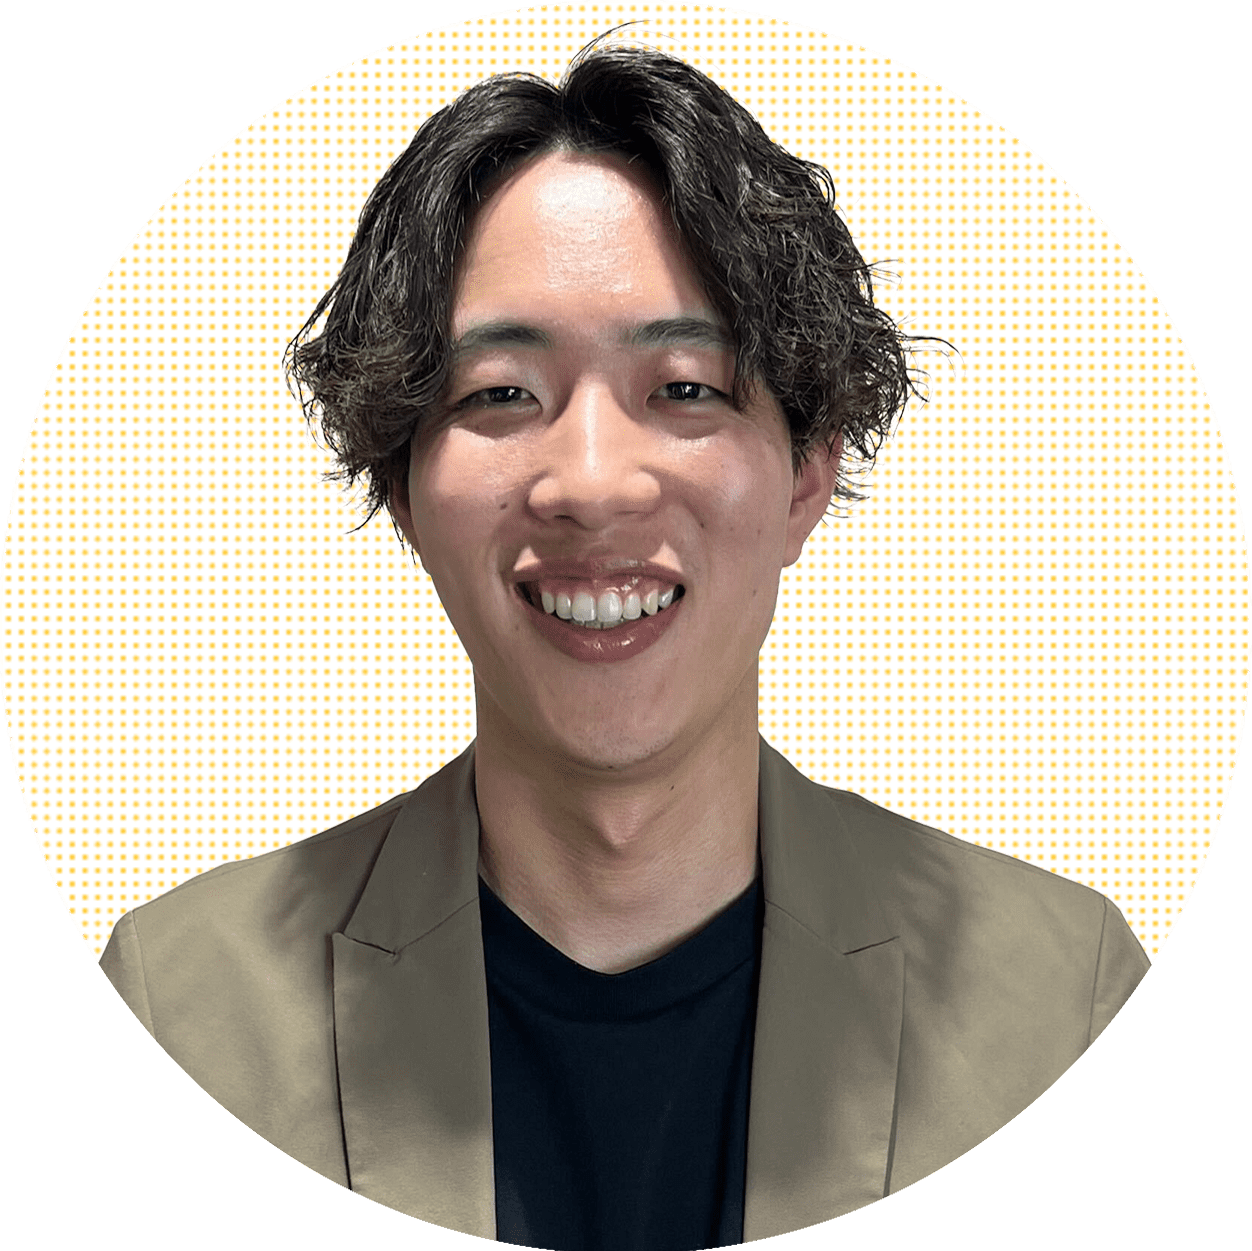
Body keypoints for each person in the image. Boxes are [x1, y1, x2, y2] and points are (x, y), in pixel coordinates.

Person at [99, 42, 1148, 1250]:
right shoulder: (176, 1016)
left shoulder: (1067, 1012)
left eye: (685, 388)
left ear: (807, 474)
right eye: (500, 394)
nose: (592, 483)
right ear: (402, 490)